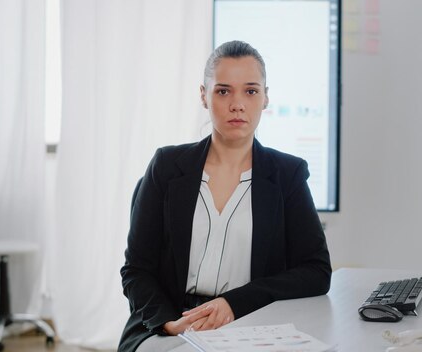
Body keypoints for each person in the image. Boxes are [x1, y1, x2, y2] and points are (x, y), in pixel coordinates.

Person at [118, 40, 332, 352]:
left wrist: (235, 302)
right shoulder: (166, 166)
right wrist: (169, 322)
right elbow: (136, 270)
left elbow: (317, 271)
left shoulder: (288, 174)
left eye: (250, 91)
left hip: (249, 321)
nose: (237, 104)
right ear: (203, 96)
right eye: (223, 91)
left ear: (265, 97)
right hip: (170, 325)